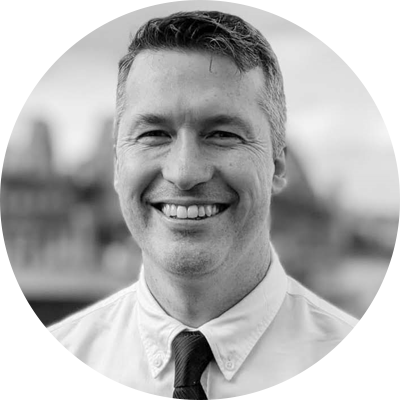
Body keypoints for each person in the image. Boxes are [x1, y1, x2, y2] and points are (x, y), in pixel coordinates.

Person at [8, 10, 400, 400]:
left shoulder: (380, 385)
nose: (184, 172)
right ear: (116, 164)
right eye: (154, 134)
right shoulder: (46, 377)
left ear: (278, 165)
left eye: (223, 134)